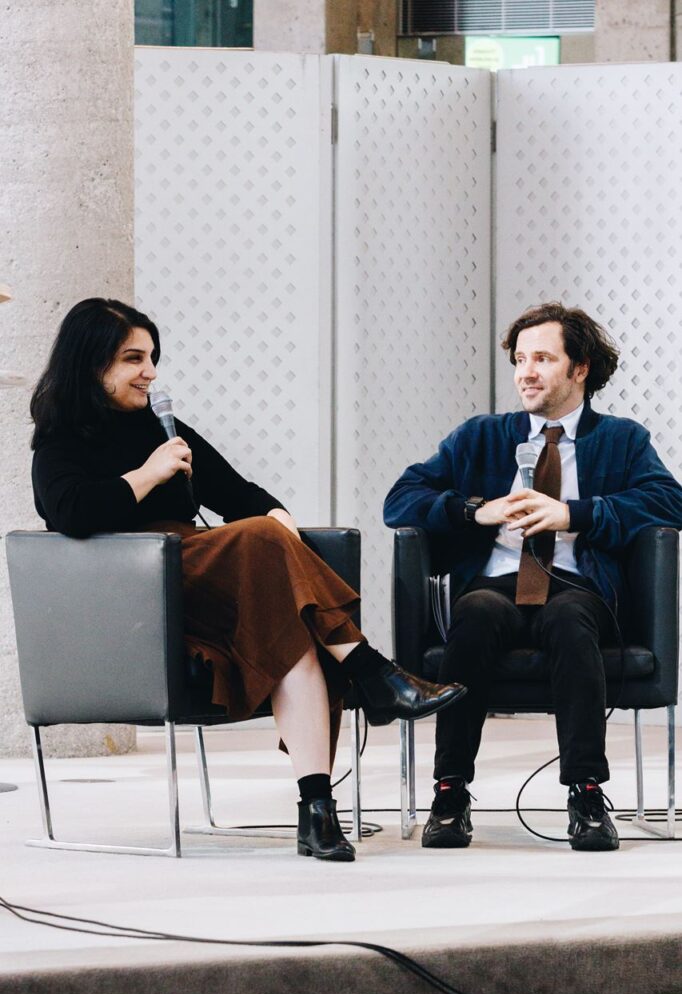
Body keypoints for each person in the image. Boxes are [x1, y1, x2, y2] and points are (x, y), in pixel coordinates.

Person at [30, 297, 466, 864]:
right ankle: (371, 671)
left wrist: (286, 534)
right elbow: (71, 514)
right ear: (93, 365)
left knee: (294, 630)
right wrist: (147, 474)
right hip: (140, 591)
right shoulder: (59, 440)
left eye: (153, 357)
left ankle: (317, 812)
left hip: (210, 580)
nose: (152, 372)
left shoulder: (162, 427)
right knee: (258, 539)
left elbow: (244, 498)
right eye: (134, 358)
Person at [384, 302, 682, 852]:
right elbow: (400, 500)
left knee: (570, 618)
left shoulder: (622, 439)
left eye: (543, 358)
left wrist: (576, 513)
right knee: (473, 614)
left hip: (577, 585)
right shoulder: (480, 436)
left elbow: (669, 501)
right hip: (494, 584)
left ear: (580, 368)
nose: (526, 372)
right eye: (520, 359)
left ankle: (587, 794)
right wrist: (475, 510)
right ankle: (450, 793)